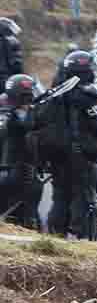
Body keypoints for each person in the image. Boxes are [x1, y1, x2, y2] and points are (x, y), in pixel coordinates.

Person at [37, 50, 97, 239]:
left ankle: (56, 237)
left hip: (57, 156)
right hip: (82, 156)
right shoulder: (87, 95)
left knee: (60, 197)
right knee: (85, 197)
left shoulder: (55, 94)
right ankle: (84, 239)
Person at [0, 74, 42, 229]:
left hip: (7, 170)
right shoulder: (20, 116)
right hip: (18, 171)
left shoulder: (6, 110)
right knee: (29, 213)